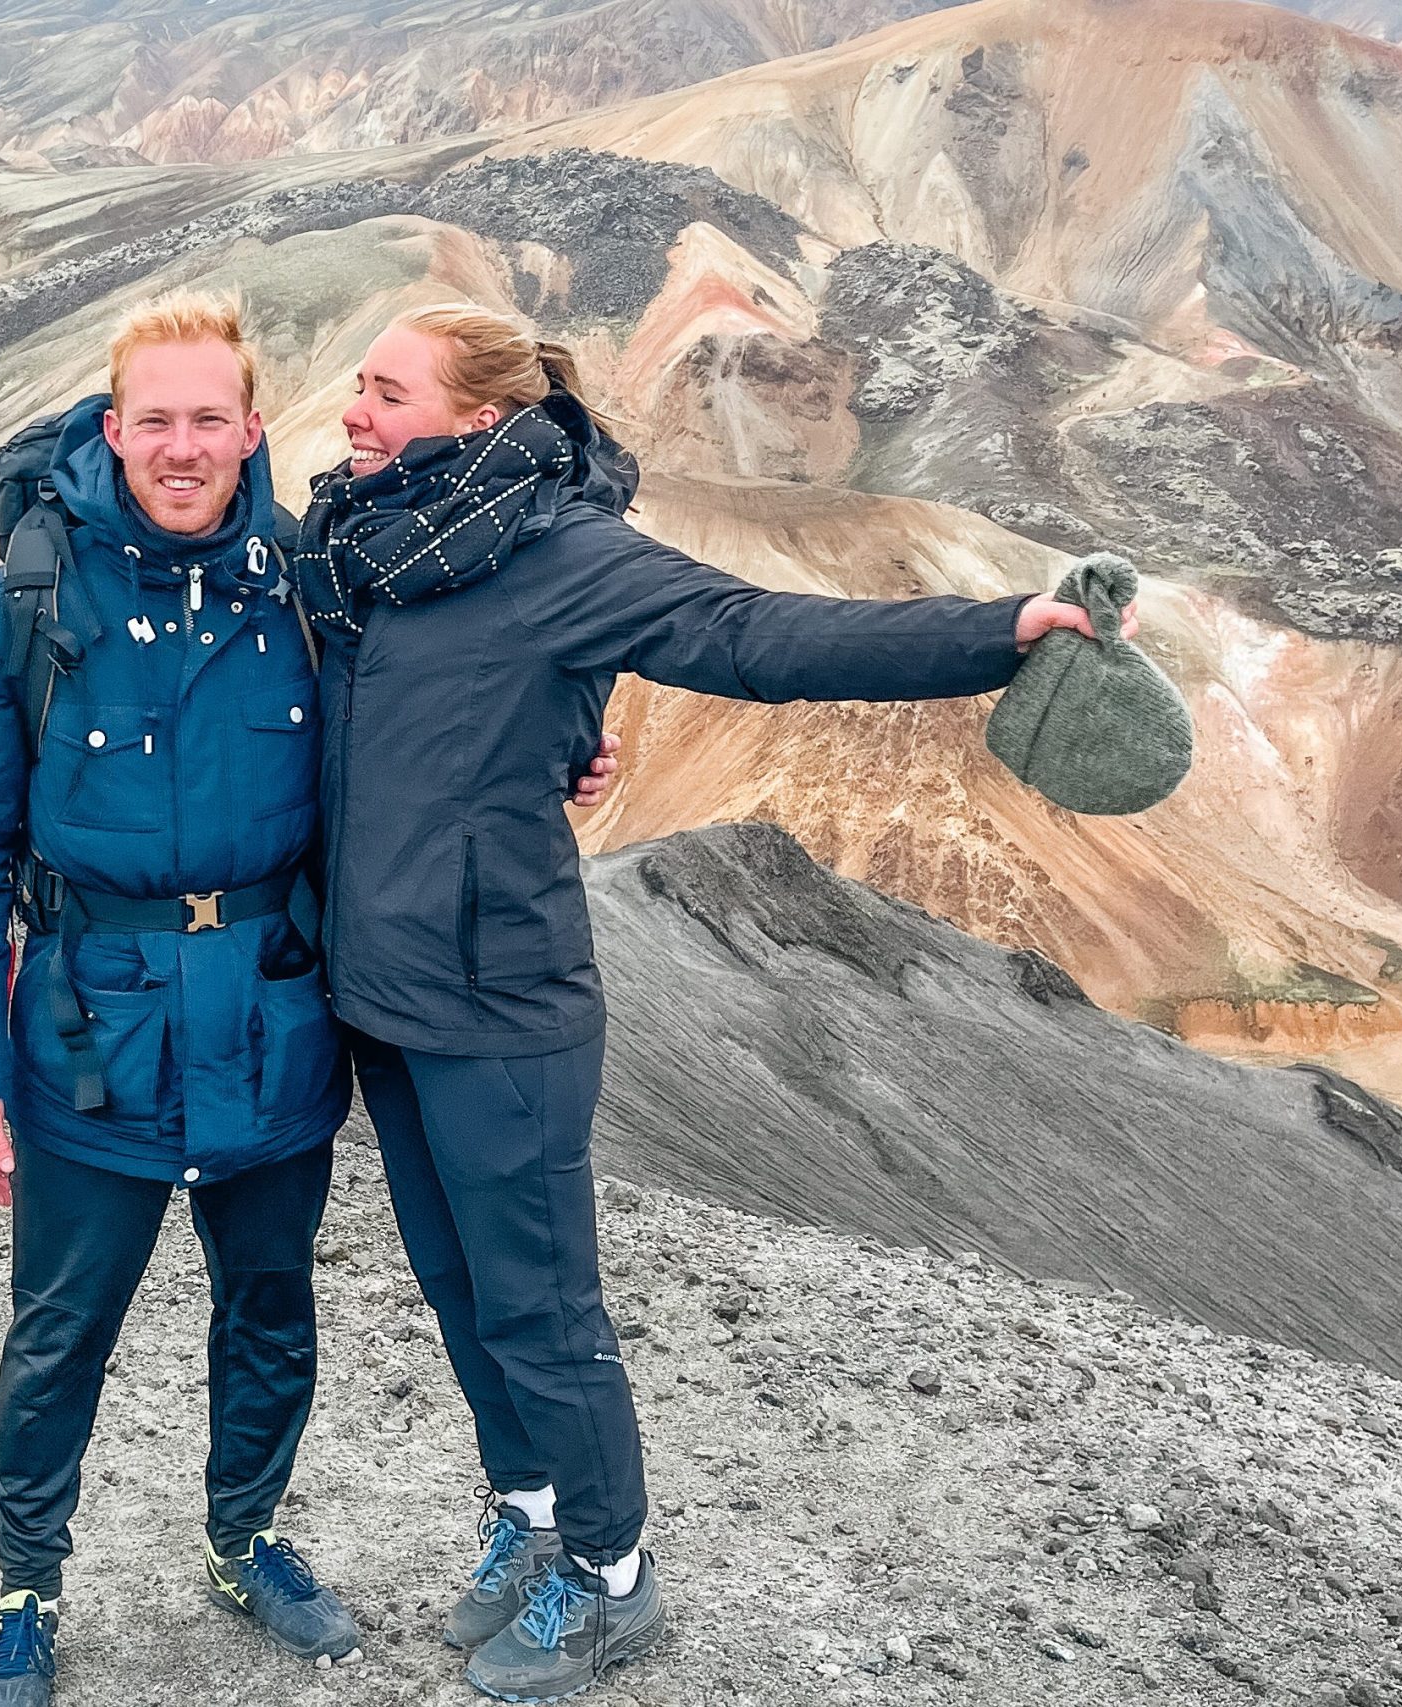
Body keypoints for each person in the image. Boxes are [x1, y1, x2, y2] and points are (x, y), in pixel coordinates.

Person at [290, 303, 1138, 1704]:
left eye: (383, 392)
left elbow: (757, 635)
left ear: (480, 421)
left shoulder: (563, 556)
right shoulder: (363, 548)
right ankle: (536, 1513)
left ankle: (612, 1577)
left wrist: (1002, 631)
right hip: (383, 994)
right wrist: (569, 734)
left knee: (541, 1308)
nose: (353, 417)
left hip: (503, 1005)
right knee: (458, 1289)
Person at [0, 290, 364, 1707]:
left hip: (272, 1025)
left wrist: (568, 755)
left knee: (271, 1309)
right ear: (113, 430)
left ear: (250, 431)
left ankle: (247, 1539)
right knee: (59, 1333)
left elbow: (445, 729)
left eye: (207, 420)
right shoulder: (25, 603)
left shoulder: (313, 591)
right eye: (154, 420)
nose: (182, 447)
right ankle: (25, 1590)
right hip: (86, 1032)